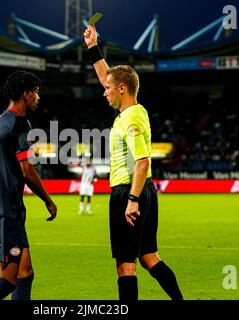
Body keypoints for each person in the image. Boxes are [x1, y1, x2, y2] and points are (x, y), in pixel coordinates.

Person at [83, 25, 183, 301]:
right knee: (149, 257)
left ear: (122, 88)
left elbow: (142, 161)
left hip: (130, 190)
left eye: (109, 88)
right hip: (143, 190)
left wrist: (132, 199)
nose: (104, 91)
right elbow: (107, 76)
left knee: (125, 264)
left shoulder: (131, 118)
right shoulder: (131, 112)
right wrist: (93, 47)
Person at [0, 70, 57, 300]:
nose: (38, 97)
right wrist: (48, 200)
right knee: (8, 279)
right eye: (36, 92)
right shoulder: (20, 124)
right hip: (5, 210)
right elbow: (27, 169)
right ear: (26, 94)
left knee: (25, 272)